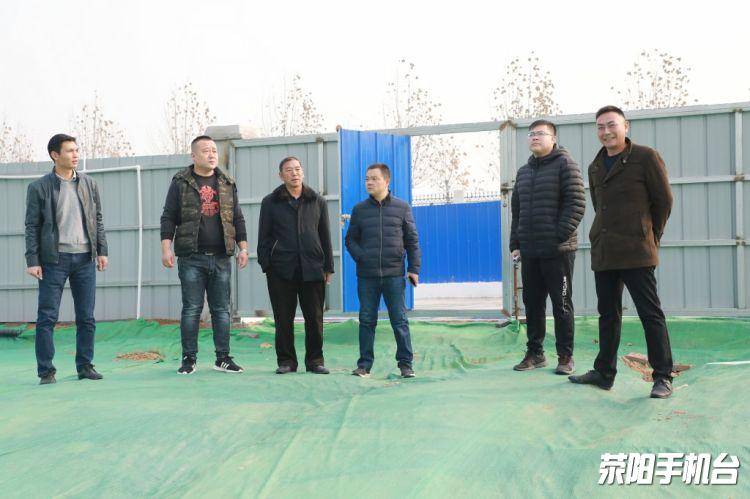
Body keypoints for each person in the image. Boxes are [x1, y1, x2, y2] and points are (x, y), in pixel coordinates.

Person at [569, 105, 675, 399]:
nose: (606, 132)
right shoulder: (595, 166)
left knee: (650, 314)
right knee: (608, 314)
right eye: (600, 127)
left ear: (625, 126)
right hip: (605, 251)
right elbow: (599, 207)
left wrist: (651, 236)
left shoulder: (645, 157)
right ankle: (604, 373)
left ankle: (663, 376)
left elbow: (663, 201)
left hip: (637, 250)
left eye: (611, 125)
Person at [160, 135, 248, 375]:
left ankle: (223, 358)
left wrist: (243, 248)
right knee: (191, 309)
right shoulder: (180, 182)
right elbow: (168, 216)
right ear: (193, 155)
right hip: (191, 257)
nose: (211, 155)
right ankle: (188, 359)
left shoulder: (227, 183)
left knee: (221, 310)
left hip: (221, 257)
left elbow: (237, 218)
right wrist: (166, 248)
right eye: (206, 151)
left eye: (214, 151)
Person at [25, 133, 108, 385]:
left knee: (86, 317)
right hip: (53, 260)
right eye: (70, 151)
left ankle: (85, 366)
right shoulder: (39, 187)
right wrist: (32, 260)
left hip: (85, 258)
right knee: (47, 317)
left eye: (77, 150)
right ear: (55, 155)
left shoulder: (89, 184)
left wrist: (102, 250)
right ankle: (46, 371)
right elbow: (32, 226)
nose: (75, 155)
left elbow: (97, 219)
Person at [509, 119, 586, 374]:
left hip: (558, 251)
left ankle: (565, 356)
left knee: (561, 302)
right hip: (530, 251)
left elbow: (576, 204)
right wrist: (515, 243)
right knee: (532, 304)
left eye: (540, 133)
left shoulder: (566, 165)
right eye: (531, 134)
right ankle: (535, 353)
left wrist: (556, 237)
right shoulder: (524, 172)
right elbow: (517, 211)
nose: (534, 137)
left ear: (553, 138)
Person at [257, 156, 334, 374]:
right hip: (281, 270)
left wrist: (328, 266)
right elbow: (263, 237)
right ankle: (287, 361)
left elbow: (325, 236)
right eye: (289, 170)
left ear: (303, 172)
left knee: (315, 318)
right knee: (283, 318)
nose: (294, 173)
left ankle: (315, 361)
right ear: (281, 175)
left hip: (313, 268)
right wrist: (267, 265)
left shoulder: (317, 201)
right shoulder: (270, 202)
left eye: (298, 169)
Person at [345, 163, 421, 378]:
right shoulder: (359, 210)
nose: (369, 182)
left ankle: (405, 365)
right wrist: (362, 257)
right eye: (367, 178)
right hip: (367, 276)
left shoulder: (402, 207)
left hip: (394, 274)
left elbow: (412, 240)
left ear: (386, 181)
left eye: (374, 178)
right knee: (367, 320)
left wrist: (413, 268)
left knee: (399, 320)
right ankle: (364, 365)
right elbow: (350, 240)